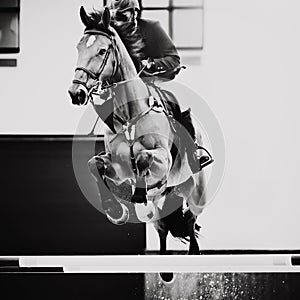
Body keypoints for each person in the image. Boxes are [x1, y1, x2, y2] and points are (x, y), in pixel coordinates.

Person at [107, 0, 212, 173]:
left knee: (175, 102)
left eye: (134, 12)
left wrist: (152, 65)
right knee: (103, 110)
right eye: (124, 14)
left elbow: (174, 59)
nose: (131, 18)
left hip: (149, 82)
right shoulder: (111, 34)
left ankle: (194, 151)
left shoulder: (152, 28)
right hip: (120, 89)